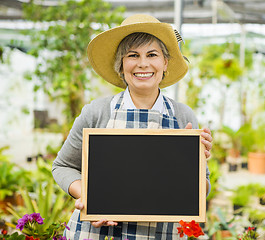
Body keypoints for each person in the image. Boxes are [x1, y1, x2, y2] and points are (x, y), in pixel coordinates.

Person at [52, 14, 213, 240]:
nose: (143, 63)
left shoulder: (183, 116)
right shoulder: (97, 112)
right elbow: (62, 166)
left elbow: (202, 188)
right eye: (133, 55)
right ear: (121, 64)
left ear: (165, 62)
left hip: (161, 234)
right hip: (99, 232)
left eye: (152, 54)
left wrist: (191, 165)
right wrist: (89, 197)